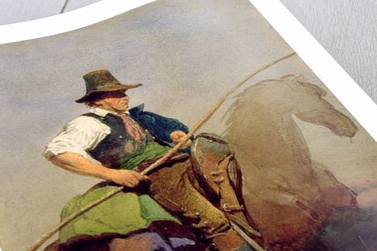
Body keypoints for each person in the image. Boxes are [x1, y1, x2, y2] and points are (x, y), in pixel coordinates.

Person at [44, 69, 247, 251]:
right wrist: (113, 174)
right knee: (212, 219)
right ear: (98, 101)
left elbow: (164, 131)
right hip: (155, 175)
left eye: (123, 92)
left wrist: (177, 137)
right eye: (117, 94)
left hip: (183, 161)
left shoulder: (136, 117)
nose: (125, 97)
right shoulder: (87, 124)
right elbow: (59, 153)